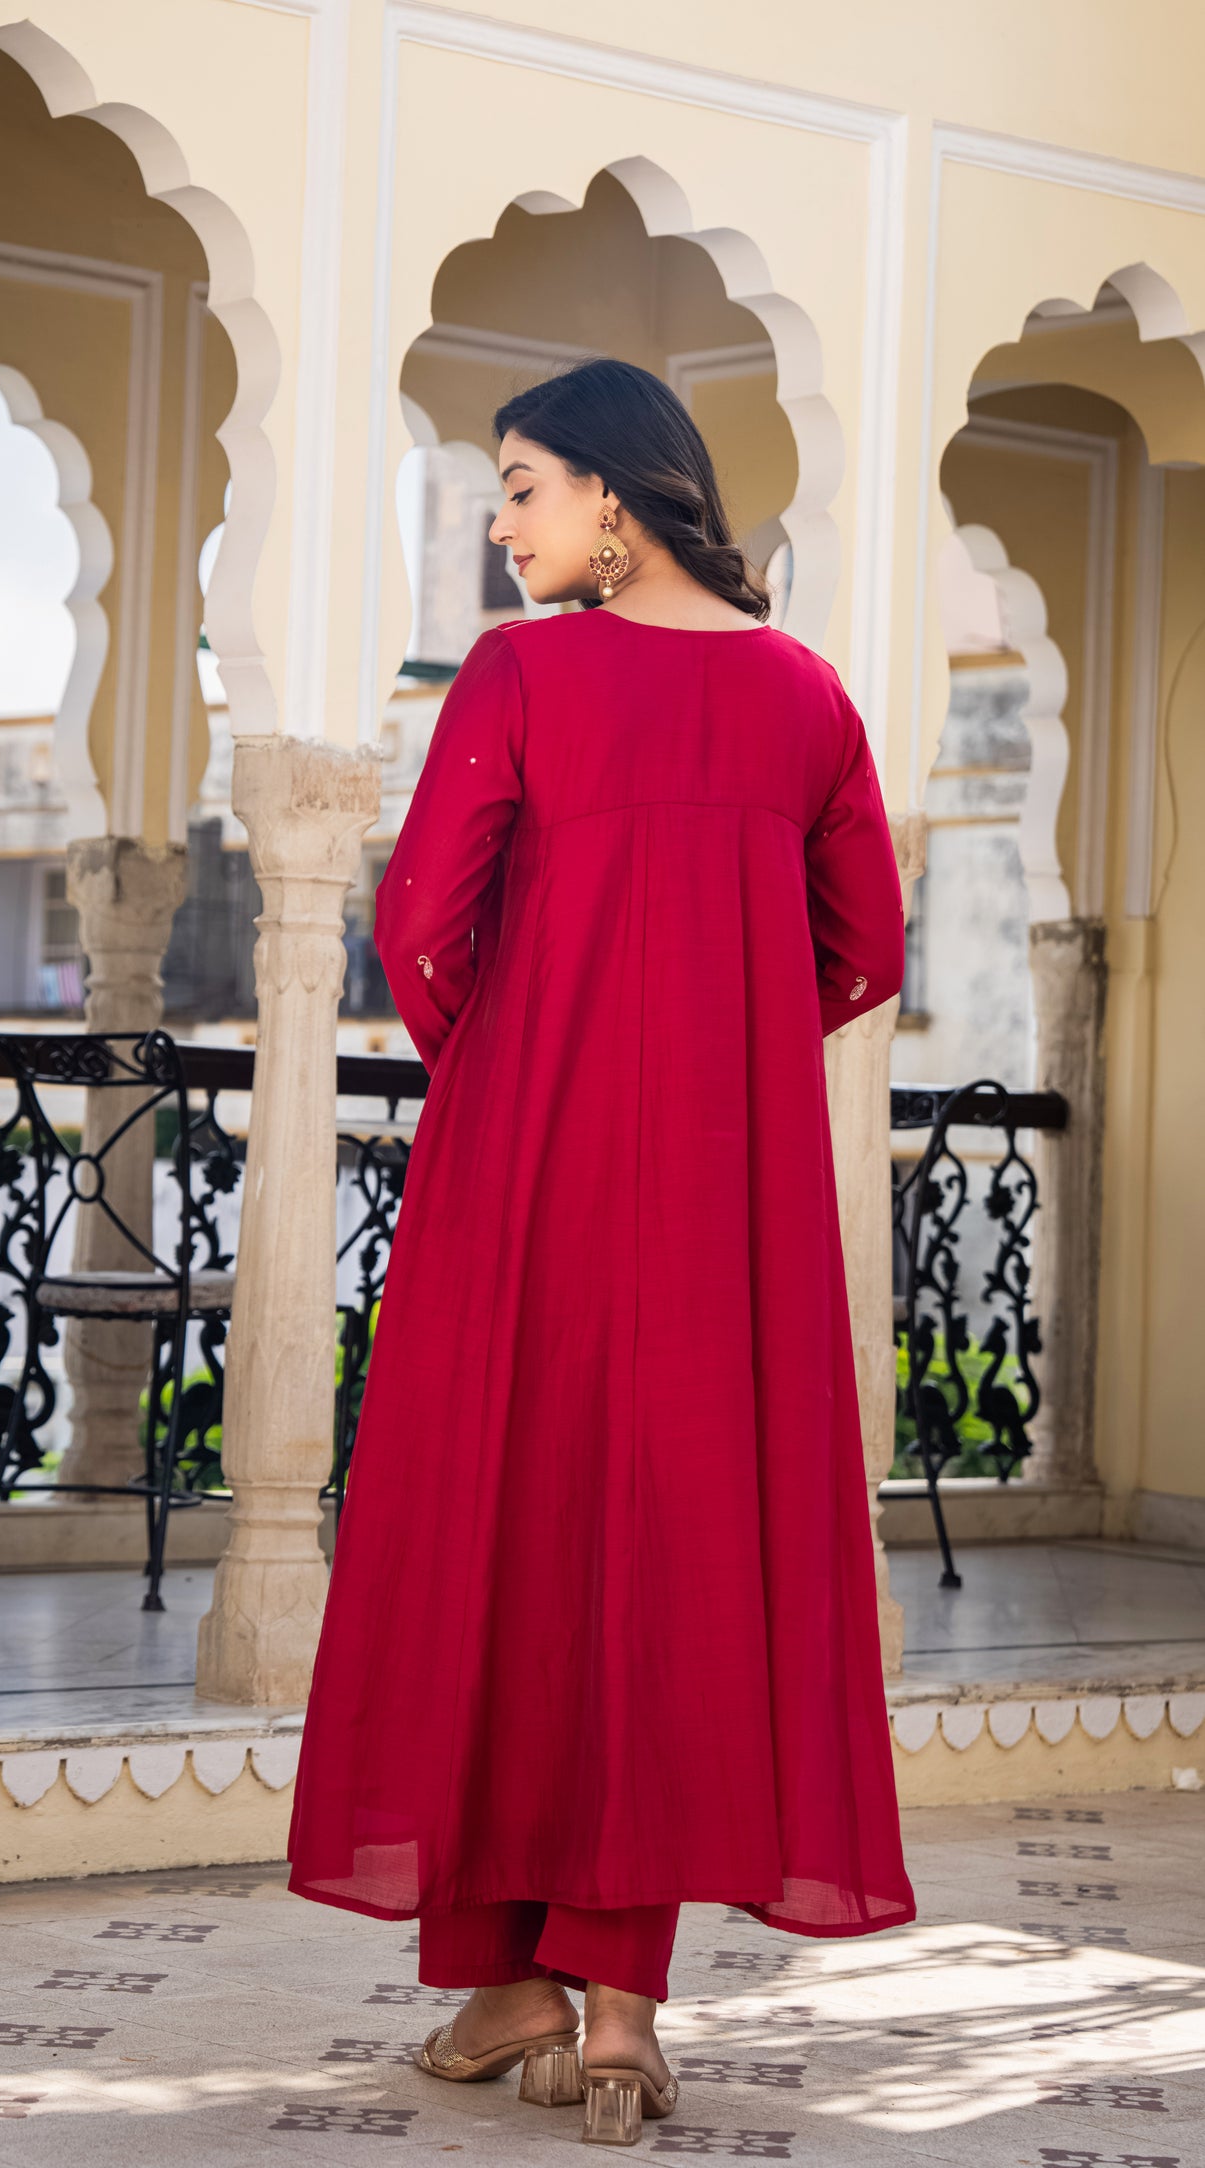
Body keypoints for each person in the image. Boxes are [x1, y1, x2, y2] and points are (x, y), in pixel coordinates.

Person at [285, 356, 916, 2147]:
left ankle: (511, 1982)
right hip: (729, 1196)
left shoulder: (522, 676)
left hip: (532, 1169)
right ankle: (609, 2013)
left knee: (506, 1525)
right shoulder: (806, 697)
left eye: (521, 487)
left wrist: (530, 1051)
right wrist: (717, 1030)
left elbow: (423, 923)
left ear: (614, 497)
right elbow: (864, 951)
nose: (502, 524)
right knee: (678, 1550)